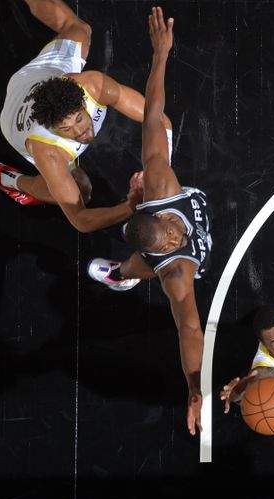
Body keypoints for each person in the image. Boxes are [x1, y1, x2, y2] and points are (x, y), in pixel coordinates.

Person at [86, 7, 210, 436]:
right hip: (152, 258)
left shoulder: (159, 185)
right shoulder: (174, 270)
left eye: (172, 231)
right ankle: (124, 272)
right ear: (160, 248)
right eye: (170, 239)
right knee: (140, 271)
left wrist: (160, 53)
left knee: (161, 127)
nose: (178, 234)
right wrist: (195, 387)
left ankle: (123, 272)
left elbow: (153, 113)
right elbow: (190, 329)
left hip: (155, 203)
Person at [0, 0, 172, 232]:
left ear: (84, 101)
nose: (79, 131)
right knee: (82, 189)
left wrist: (161, 174)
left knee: (79, 28)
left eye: (79, 119)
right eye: (67, 129)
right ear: (52, 127)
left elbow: (161, 120)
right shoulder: (49, 152)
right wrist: (130, 206)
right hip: (14, 121)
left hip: (34, 77)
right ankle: (12, 181)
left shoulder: (93, 86)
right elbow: (81, 220)